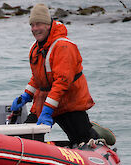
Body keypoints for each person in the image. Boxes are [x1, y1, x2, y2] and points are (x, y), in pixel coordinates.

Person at [11, 3, 101, 147]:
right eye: (32, 25)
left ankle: (96, 136)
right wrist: (26, 96)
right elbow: (38, 78)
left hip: (68, 103)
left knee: (83, 141)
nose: (34, 29)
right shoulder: (36, 48)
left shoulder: (63, 47)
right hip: (44, 101)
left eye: (38, 24)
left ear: (48, 24)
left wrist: (48, 110)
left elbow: (62, 82)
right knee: (26, 140)